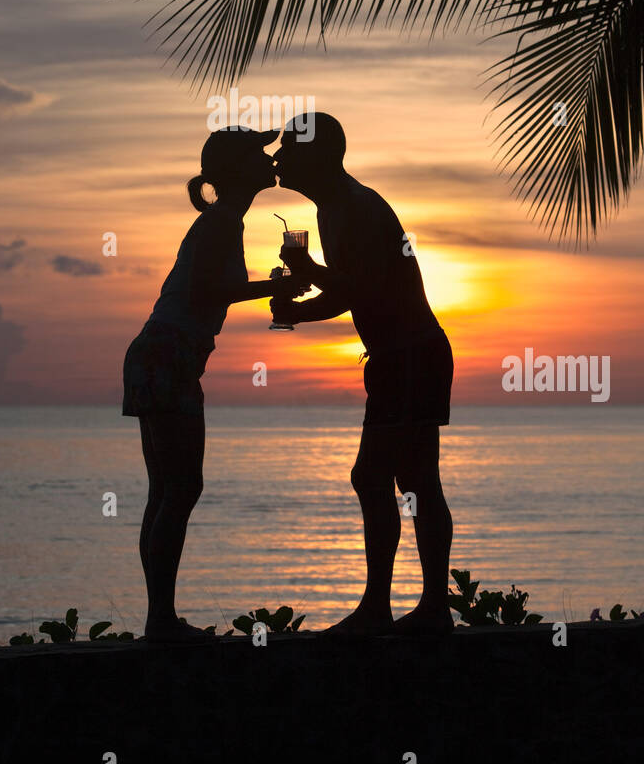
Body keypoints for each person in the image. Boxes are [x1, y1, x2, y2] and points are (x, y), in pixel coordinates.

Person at [269, 113, 455, 637]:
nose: (278, 159)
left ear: (319, 156)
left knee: (380, 478)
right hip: (403, 358)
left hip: (409, 359)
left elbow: (364, 289)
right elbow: (350, 291)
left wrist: (305, 274)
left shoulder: (353, 206)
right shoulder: (337, 206)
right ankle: (421, 608)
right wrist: (299, 311)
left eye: (288, 149)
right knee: (411, 481)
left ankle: (385, 608)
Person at [122, 126, 306, 643]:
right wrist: (278, 286)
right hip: (169, 356)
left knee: (168, 489)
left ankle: (160, 619)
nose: (270, 158)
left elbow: (209, 290)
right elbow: (214, 288)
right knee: (180, 487)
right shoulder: (222, 223)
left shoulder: (223, 220)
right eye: (259, 152)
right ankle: (161, 621)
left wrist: (273, 285)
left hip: (158, 354)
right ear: (237, 169)